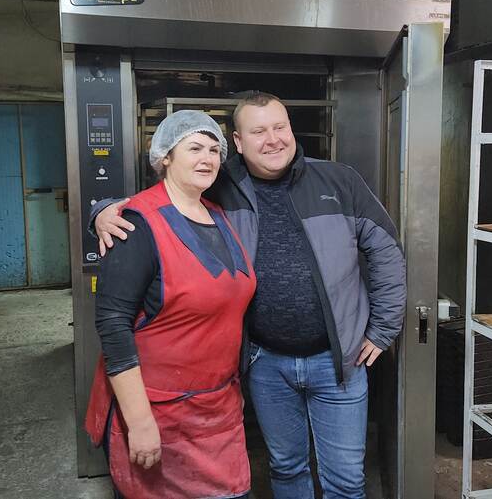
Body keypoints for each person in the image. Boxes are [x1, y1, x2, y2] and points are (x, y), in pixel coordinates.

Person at [94, 92, 406, 499]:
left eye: (280, 127)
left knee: (346, 479)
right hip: (265, 362)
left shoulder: (339, 180)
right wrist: (103, 209)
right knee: (287, 467)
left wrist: (383, 329)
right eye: (258, 131)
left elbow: (385, 251)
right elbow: (161, 203)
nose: (273, 139)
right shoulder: (222, 186)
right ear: (238, 144)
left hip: (338, 363)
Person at [85, 110, 257, 499]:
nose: (207, 158)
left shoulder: (218, 215)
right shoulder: (135, 224)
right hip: (159, 413)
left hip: (218, 409)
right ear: (165, 157)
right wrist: (139, 420)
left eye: (215, 150)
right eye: (194, 148)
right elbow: (113, 324)